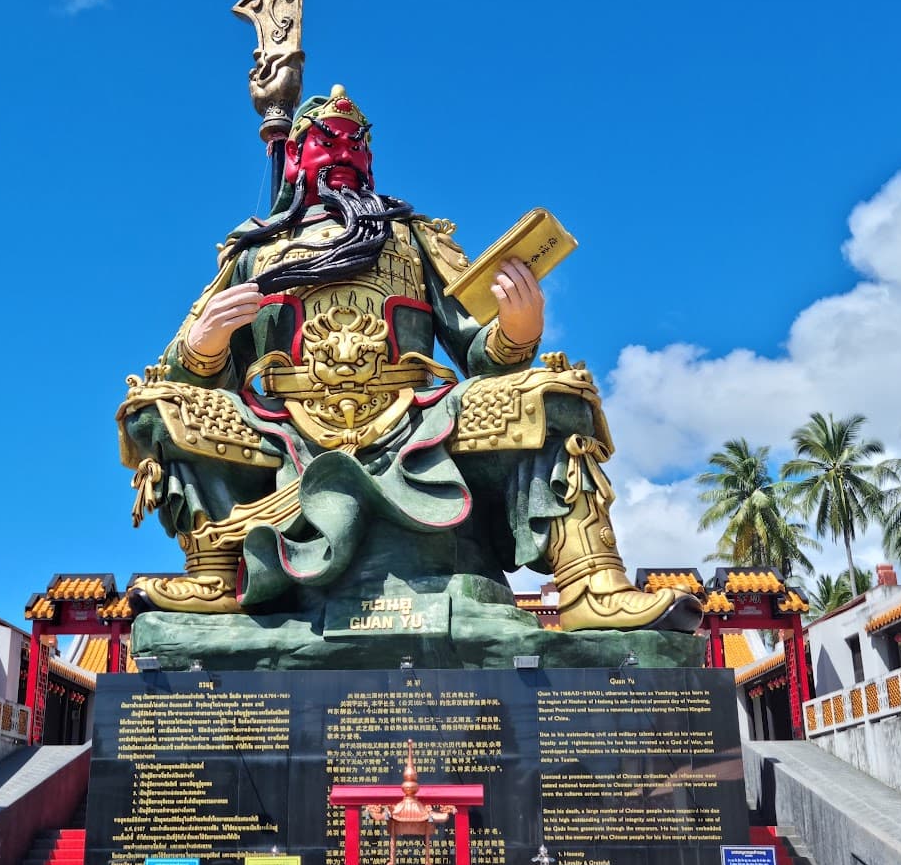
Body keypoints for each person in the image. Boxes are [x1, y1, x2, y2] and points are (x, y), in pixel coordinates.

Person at [118, 86, 698, 635]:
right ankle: (217, 576)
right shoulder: (254, 251)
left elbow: (480, 350)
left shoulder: (411, 236)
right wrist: (205, 348)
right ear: (294, 156)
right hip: (284, 427)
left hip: (417, 419)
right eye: (329, 140)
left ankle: (590, 581)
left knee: (556, 393)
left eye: (356, 142)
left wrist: (518, 329)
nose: (344, 154)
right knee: (156, 408)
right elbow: (182, 368)